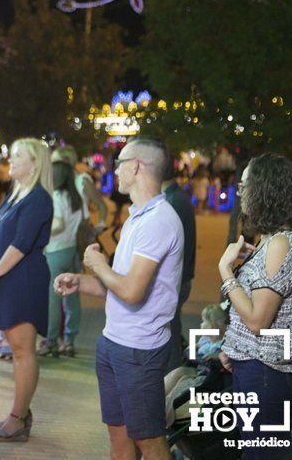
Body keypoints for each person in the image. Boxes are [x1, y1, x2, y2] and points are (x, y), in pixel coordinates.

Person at [55, 137, 183, 460]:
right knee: (119, 440)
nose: (116, 170)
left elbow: (130, 291)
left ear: (136, 166)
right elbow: (118, 285)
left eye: (119, 163)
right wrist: (82, 281)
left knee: (150, 442)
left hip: (139, 350)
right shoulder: (137, 217)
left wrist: (96, 264)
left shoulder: (160, 220)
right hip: (113, 342)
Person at [217, 153, 292, 460]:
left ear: (265, 189)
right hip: (256, 369)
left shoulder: (282, 243)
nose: (240, 192)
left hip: (266, 374)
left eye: (245, 184)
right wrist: (232, 347)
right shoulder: (272, 241)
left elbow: (258, 319)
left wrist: (226, 271)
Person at [0, 138, 53, 442]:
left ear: (35, 164)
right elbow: (1, 239)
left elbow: (21, 244)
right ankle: (21, 413)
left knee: (22, 351)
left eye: (18, 155)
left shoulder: (38, 198)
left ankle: (19, 417)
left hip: (23, 279)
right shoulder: (17, 194)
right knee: (16, 350)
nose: (11, 159)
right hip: (9, 278)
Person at [38, 160, 84, 358]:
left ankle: (51, 342)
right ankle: (70, 340)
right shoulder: (75, 198)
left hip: (55, 251)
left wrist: (42, 232)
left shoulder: (56, 196)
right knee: (72, 298)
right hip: (72, 250)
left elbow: (58, 223)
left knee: (53, 298)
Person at [162, 154, 197, 371]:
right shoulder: (176, 197)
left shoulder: (172, 202)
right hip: (181, 277)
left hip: (176, 280)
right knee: (172, 331)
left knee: (170, 335)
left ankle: (172, 384)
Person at [52, 145, 109, 229]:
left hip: (75, 237)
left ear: (66, 161)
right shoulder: (53, 181)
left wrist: (100, 225)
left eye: (55, 162)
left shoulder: (82, 181)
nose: (52, 166)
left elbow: (102, 205)